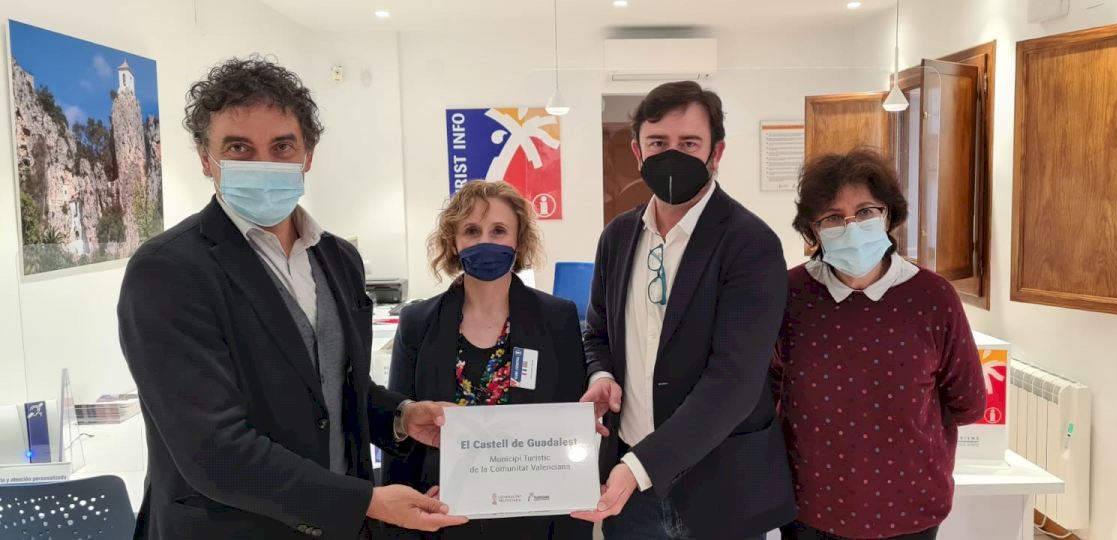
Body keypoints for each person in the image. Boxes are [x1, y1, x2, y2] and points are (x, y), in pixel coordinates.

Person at [116, 57, 466, 539]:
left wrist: (402, 417)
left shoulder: (338, 258)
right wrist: (365, 502)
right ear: (205, 158)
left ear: (307, 155)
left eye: (282, 146)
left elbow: (335, 389)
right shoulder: (168, 271)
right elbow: (213, 450)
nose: (263, 164)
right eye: (239, 148)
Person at [571, 81, 796, 539]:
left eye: (689, 143)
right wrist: (602, 376)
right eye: (658, 143)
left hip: (720, 485)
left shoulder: (750, 244)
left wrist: (640, 466)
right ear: (637, 152)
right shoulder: (617, 237)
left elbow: (734, 381)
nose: (672, 155)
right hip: (630, 491)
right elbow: (597, 332)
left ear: (717, 152)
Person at [773, 149, 986, 540]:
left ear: (889, 216)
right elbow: (766, 392)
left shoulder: (932, 297)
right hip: (810, 510)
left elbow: (968, 401)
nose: (852, 227)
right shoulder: (789, 296)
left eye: (866, 211)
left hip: (911, 511)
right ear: (813, 231)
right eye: (833, 217)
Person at [382, 180, 593, 539]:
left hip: (533, 516)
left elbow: (570, 426)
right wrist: (400, 518)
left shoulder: (558, 318)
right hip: (443, 515)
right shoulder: (418, 322)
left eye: (498, 231)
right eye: (471, 231)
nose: (485, 241)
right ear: (453, 242)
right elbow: (400, 424)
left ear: (518, 240)